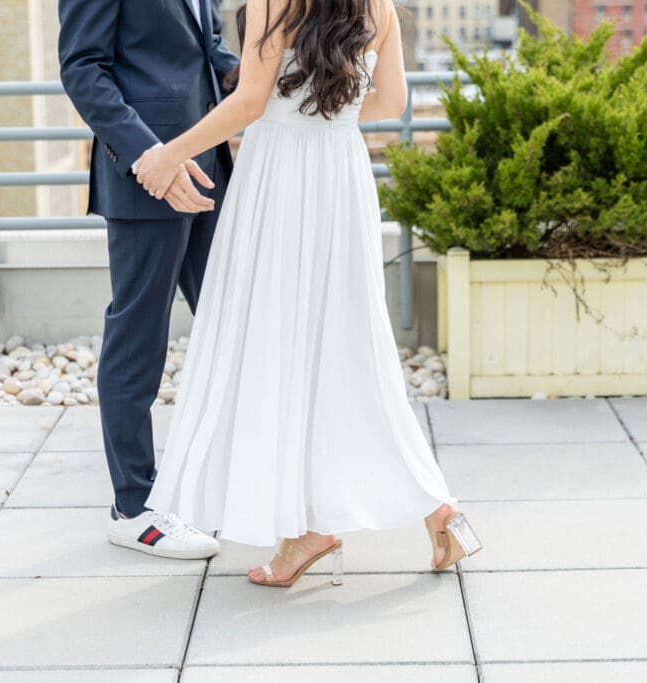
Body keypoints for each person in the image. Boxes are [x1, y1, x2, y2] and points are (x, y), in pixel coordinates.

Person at [133, 0, 482, 587]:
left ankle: (308, 529)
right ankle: (427, 510)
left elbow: (248, 102)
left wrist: (172, 151)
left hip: (281, 180)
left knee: (279, 344)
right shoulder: (380, 7)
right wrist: (328, 112)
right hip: (340, 176)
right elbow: (392, 102)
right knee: (347, 349)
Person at [57, 0, 241, 560]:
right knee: (138, 337)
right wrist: (148, 156)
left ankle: (222, 483)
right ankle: (132, 508)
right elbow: (82, 67)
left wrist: (276, 74)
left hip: (209, 168)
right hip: (148, 178)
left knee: (236, 323)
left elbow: (208, 52)